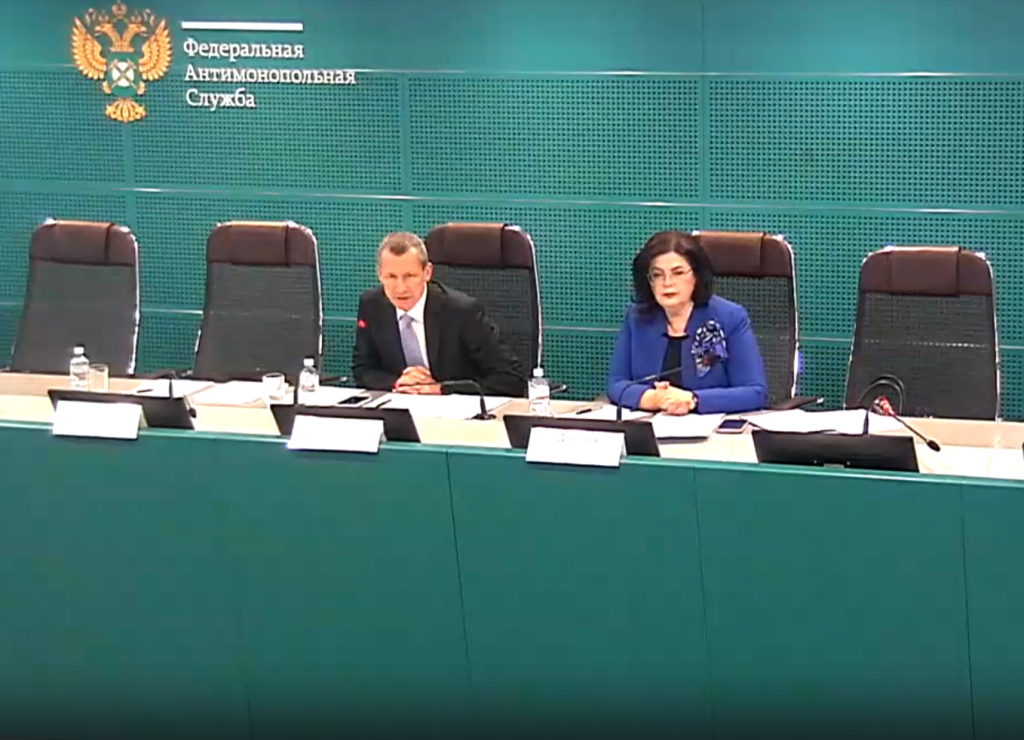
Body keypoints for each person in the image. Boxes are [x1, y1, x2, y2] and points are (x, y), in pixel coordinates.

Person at [607, 230, 768, 415]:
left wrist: (692, 399)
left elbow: (755, 393)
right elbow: (616, 384)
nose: (667, 283)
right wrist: (655, 399)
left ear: (696, 275)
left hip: (711, 427)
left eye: (678, 273)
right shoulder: (637, 317)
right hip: (650, 426)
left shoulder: (730, 317)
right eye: (657, 275)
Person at [352, 232, 527, 397]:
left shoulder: (461, 311)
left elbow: (510, 378)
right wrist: (398, 382)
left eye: (410, 276)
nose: (400, 288)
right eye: (391, 277)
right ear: (379, 275)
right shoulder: (372, 306)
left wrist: (440, 389)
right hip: (399, 406)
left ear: (427, 272)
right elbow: (363, 369)